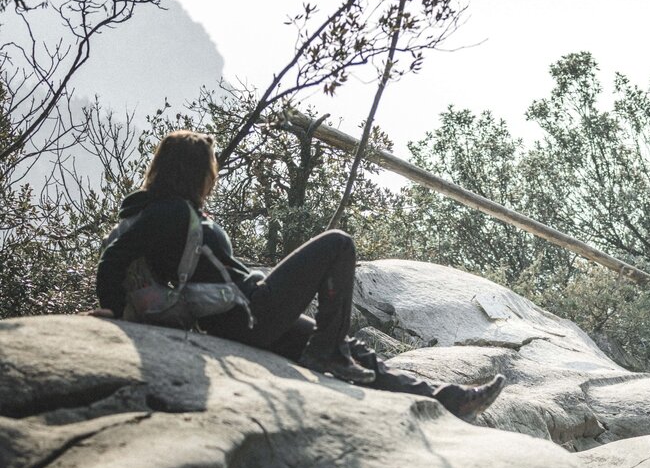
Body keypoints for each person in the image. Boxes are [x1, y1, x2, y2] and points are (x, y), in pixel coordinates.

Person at [92, 130, 504, 417]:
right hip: (248, 312)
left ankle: (448, 400)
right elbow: (114, 257)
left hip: (238, 321)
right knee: (338, 244)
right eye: (210, 167)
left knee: (354, 352)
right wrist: (110, 309)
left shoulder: (169, 211)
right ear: (195, 170)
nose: (213, 174)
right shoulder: (167, 212)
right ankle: (329, 353)